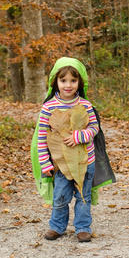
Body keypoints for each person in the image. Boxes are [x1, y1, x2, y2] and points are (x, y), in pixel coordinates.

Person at [37, 59, 99, 242]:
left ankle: (82, 227)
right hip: (61, 163)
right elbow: (42, 137)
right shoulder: (49, 107)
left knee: (83, 195)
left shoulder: (85, 105)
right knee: (61, 196)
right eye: (63, 80)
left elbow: (94, 128)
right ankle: (57, 226)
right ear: (55, 82)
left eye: (73, 80)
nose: (68, 85)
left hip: (85, 161)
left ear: (79, 82)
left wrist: (79, 136)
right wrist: (44, 161)